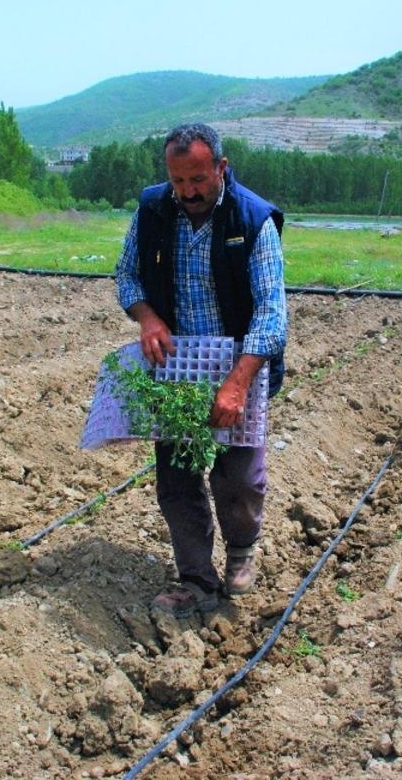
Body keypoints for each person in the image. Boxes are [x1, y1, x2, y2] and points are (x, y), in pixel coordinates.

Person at [114, 123, 287, 618]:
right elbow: (126, 275)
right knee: (177, 478)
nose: (188, 192)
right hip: (179, 368)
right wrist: (147, 316)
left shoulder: (253, 221)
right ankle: (196, 580)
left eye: (198, 180)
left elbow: (271, 314)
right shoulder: (152, 211)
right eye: (178, 181)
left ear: (221, 169)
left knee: (240, 477)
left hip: (240, 365)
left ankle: (240, 553)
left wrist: (237, 381)